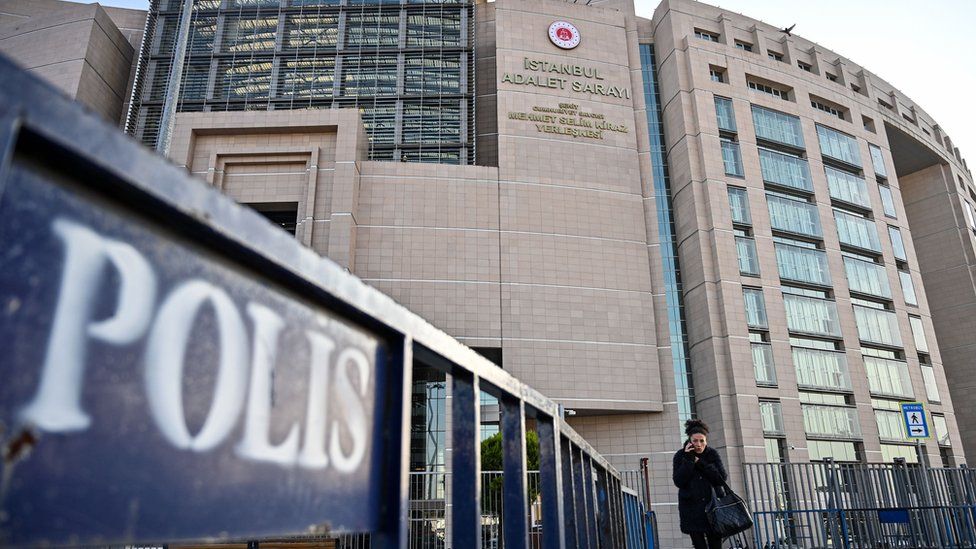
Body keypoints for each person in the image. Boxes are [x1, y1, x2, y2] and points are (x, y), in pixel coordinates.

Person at [673, 419, 728, 549]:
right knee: (699, 546)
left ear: (706, 441)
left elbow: (721, 479)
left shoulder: (712, 454)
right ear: (690, 441)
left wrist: (701, 463)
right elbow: (679, 481)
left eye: (701, 441)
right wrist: (689, 460)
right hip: (691, 508)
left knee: (716, 545)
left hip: (713, 507)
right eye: (695, 441)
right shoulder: (681, 456)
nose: (698, 444)